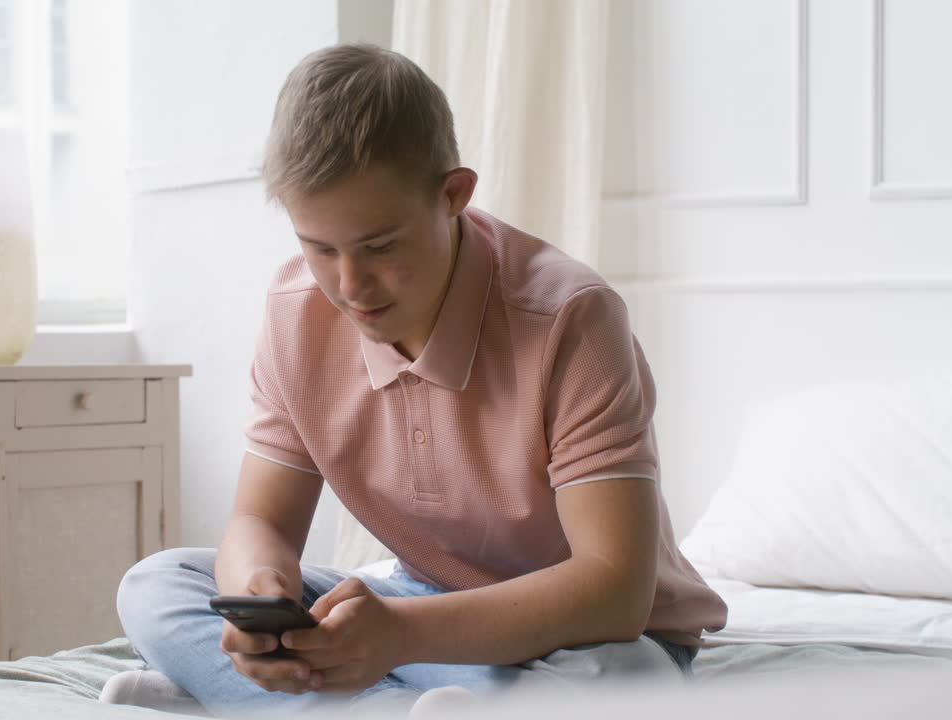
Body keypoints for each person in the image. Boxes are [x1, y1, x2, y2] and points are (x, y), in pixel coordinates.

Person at [104, 43, 727, 717]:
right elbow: (260, 519)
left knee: (628, 678)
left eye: (379, 247)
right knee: (156, 586)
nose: (350, 286)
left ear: (454, 195)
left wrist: (399, 639)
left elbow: (613, 588)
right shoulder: (294, 316)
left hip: (586, 632)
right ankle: (363, 699)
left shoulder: (569, 318)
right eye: (318, 247)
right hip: (424, 609)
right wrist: (263, 595)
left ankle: (252, 700)